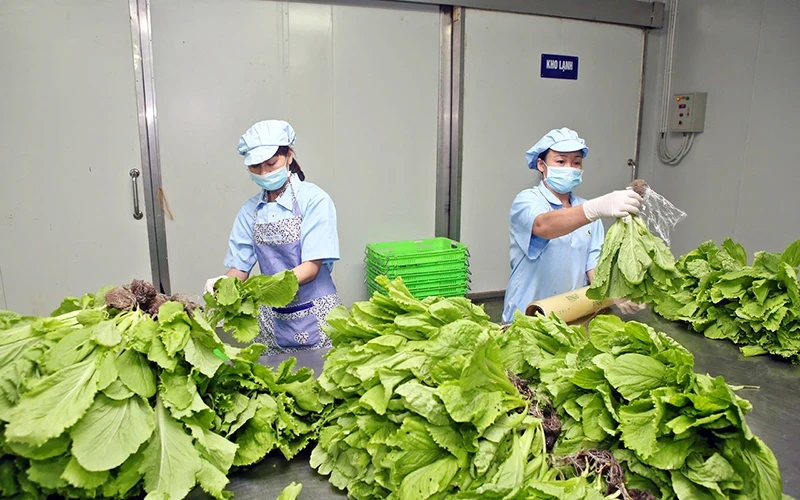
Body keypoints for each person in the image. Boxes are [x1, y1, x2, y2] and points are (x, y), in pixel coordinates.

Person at [204, 120, 341, 354]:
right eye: (256, 167)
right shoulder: (250, 211)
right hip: (272, 319)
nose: (264, 172)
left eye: (271, 163)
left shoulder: (315, 200)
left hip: (317, 315)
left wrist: (260, 287)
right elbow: (240, 268)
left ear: (289, 155)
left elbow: (311, 268)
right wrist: (223, 285)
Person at [502, 127, 645, 322]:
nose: (570, 168)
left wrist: (615, 293)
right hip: (528, 314)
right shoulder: (527, 201)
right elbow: (543, 226)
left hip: (570, 313)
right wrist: (593, 209)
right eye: (561, 161)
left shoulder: (589, 212)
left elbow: (593, 266)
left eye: (576, 162)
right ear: (541, 165)